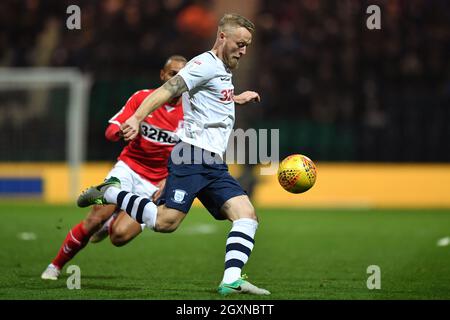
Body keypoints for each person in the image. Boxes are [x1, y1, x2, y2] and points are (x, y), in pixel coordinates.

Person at [78, 13, 270, 296]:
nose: (243, 51)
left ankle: (231, 280)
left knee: (247, 215)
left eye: (247, 46)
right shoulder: (204, 64)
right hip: (191, 156)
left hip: (213, 162)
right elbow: (167, 90)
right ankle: (110, 194)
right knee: (165, 223)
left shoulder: (221, 69)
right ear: (222, 37)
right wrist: (137, 117)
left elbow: (210, 99)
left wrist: (236, 98)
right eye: (240, 44)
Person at [40, 55, 187, 280]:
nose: (176, 79)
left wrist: (168, 181)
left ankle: (111, 222)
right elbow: (112, 129)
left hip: (155, 182)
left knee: (119, 236)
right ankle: (55, 266)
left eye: (181, 75)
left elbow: (189, 154)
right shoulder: (143, 98)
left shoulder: (192, 111)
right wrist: (122, 131)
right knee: (93, 219)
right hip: (128, 168)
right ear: (162, 75)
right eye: (172, 74)